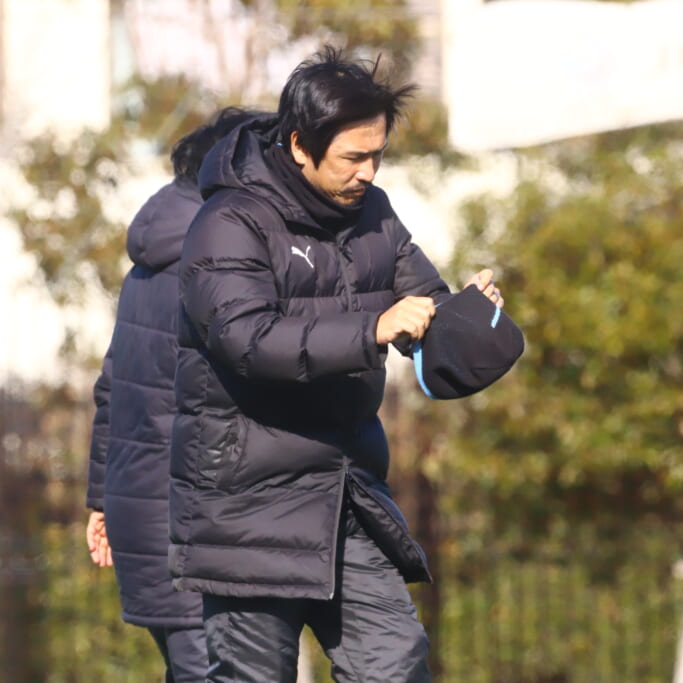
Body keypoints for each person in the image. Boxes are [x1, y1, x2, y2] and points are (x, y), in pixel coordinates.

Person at [168, 46, 504, 682]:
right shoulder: (229, 221)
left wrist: (471, 319)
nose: (368, 172)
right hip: (248, 508)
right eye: (354, 157)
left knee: (396, 664)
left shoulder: (375, 214)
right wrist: (371, 329)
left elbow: (425, 316)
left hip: (348, 495)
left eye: (378, 155)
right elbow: (246, 340)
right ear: (300, 145)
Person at [85, 107, 259, 683]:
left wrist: (102, 500)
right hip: (194, 520)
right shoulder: (212, 262)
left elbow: (115, 387)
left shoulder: (149, 264)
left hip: (141, 506)